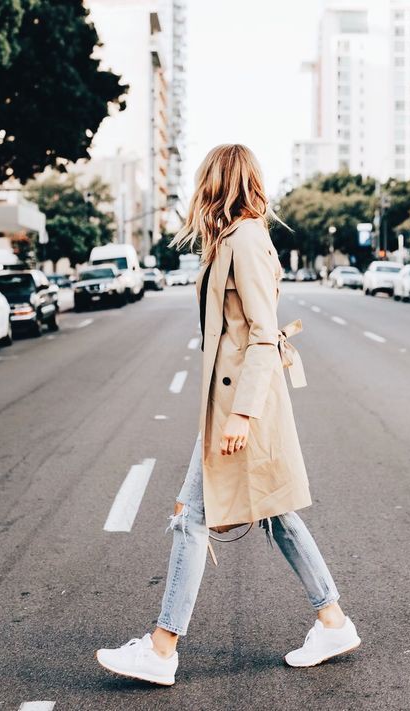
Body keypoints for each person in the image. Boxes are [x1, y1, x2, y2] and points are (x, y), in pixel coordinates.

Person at [96, 144, 361, 686]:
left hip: (244, 407)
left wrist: (240, 415)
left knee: (195, 516)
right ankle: (331, 618)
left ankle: (162, 647)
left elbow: (264, 334)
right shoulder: (235, 239)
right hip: (237, 404)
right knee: (275, 513)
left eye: (204, 181)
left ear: (218, 182)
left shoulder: (245, 239)